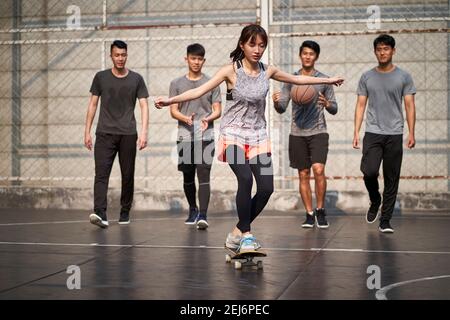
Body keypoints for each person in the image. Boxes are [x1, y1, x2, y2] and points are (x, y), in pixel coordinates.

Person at [155, 24, 344, 253]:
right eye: (252, 44)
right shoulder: (230, 71)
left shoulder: (268, 71)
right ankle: (246, 235)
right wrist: (169, 101)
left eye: (262, 45)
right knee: (245, 179)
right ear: (242, 44)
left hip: (258, 136)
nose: (257, 49)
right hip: (233, 134)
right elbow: (199, 90)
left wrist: (327, 80)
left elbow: (299, 81)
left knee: (266, 188)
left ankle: (236, 231)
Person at [353, 34, 416, 233]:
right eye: (379, 49)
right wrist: (355, 131)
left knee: (391, 177)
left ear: (393, 51)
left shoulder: (404, 77)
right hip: (372, 132)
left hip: (395, 133)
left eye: (386, 49)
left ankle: (385, 220)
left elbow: (409, 105)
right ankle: (375, 199)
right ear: (375, 52)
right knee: (369, 171)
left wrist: (411, 132)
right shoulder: (367, 77)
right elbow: (360, 105)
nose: (382, 52)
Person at [272, 40, 338, 229]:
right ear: (300, 55)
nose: (308, 56)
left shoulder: (323, 80)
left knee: (318, 170)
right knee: (303, 173)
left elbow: (335, 108)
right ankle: (309, 214)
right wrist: (277, 102)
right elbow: (282, 108)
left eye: (311, 54)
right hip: (297, 133)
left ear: (316, 57)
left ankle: (320, 210)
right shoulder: (290, 79)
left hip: (318, 131)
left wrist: (327, 104)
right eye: (305, 53)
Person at [84, 40, 149, 228]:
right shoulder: (100, 77)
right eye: (117, 55)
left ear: (126, 55)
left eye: (123, 55)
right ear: (111, 56)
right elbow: (93, 104)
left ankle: (124, 211)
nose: (120, 58)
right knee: (101, 174)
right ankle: (100, 213)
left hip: (128, 134)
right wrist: (86, 131)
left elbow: (144, 105)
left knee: (127, 175)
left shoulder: (136, 79)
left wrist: (144, 132)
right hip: (104, 133)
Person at [169, 43, 222, 230]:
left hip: (205, 135)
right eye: (193, 58)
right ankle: (193, 208)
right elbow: (173, 110)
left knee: (204, 172)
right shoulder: (176, 84)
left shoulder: (212, 82)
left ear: (204, 61)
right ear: (187, 59)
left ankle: (203, 214)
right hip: (184, 135)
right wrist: (185, 118)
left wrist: (207, 118)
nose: (196, 62)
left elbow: (218, 110)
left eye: (200, 59)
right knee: (188, 175)